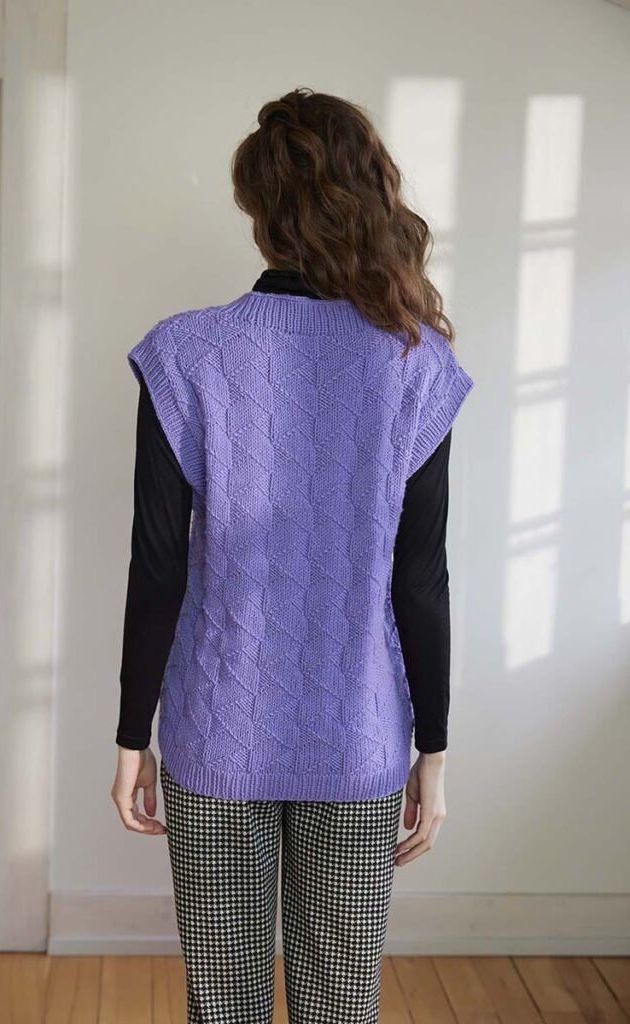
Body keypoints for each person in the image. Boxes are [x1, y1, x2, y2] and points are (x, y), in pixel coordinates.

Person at [111, 87, 474, 1024]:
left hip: (214, 731)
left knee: (223, 1005)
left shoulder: (184, 353)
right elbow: (421, 580)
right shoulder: (413, 362)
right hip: (359, 736)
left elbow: (158, 565)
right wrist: (432, 751)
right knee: (341, 1006)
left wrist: (131, 734)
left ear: (258, 209)